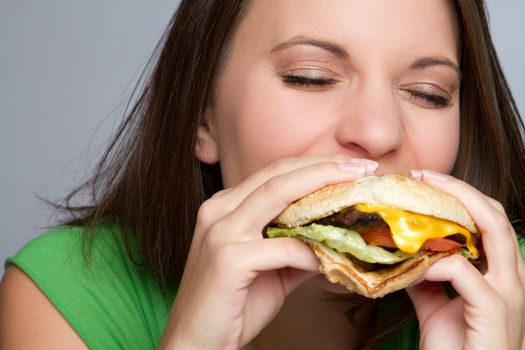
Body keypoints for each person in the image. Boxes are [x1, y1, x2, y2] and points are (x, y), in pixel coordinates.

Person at [1, 0, 525, 349]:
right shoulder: (68, 296)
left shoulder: (508, 293)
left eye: (428, 93)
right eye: (310, 78)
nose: (379, 131)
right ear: (201, 117)